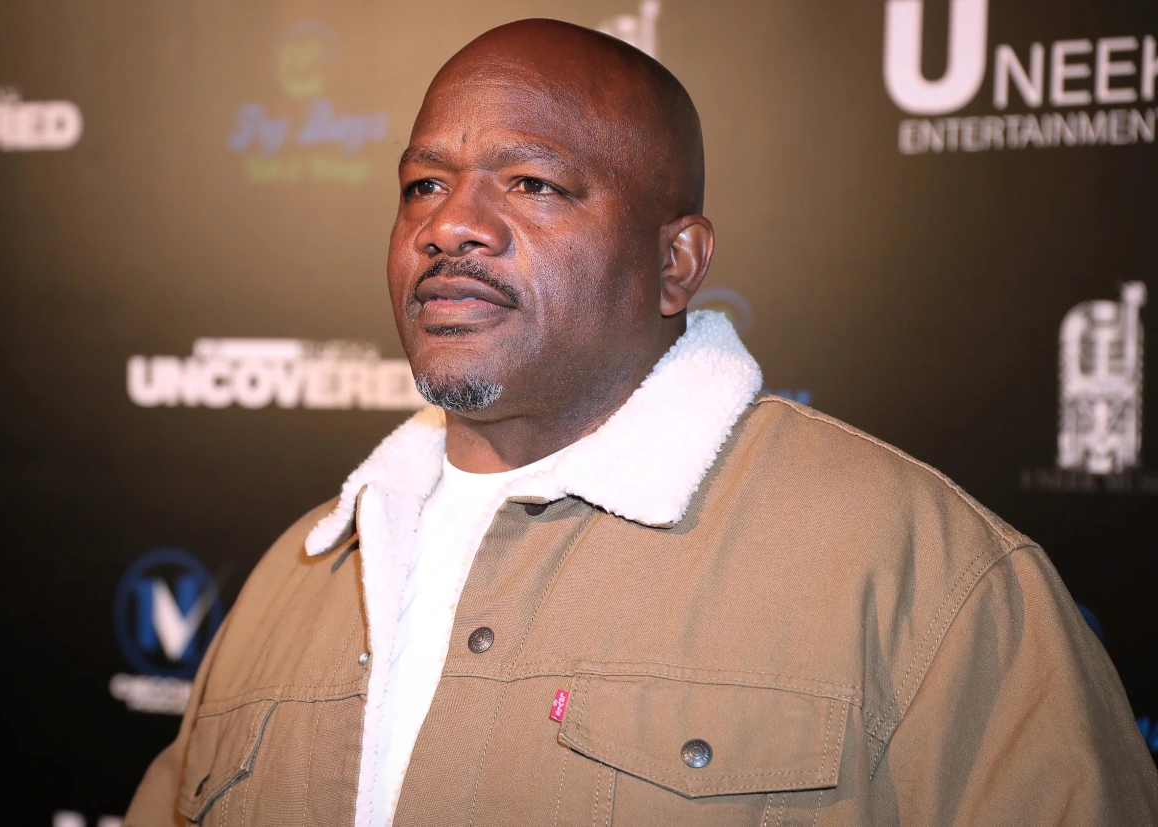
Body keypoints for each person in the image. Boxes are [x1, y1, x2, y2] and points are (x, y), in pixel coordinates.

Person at [125, 18, 1158, 827]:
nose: (449, 224)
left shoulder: (922, 576)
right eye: (422, 185)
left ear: (676, 262)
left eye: (530, 183)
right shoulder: (295, 577)